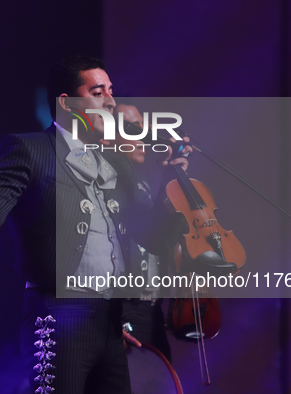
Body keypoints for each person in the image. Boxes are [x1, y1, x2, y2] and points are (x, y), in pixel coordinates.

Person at [0, 56, 190, 394]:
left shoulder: (117, 166)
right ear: (67, 103)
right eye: (97, 92)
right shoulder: (31, 149)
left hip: (112, 322)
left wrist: (173, 187)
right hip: (57, 316)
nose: (110, 101)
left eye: (111, 91)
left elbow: (152, 238)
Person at [111, 98, 191, 362]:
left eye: (142, 128)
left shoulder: (142, 184)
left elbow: (160, 241)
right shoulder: (105, 185)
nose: (142, 137)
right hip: (122, 311)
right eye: (132, 128)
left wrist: (171, 178)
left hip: (151, 310)